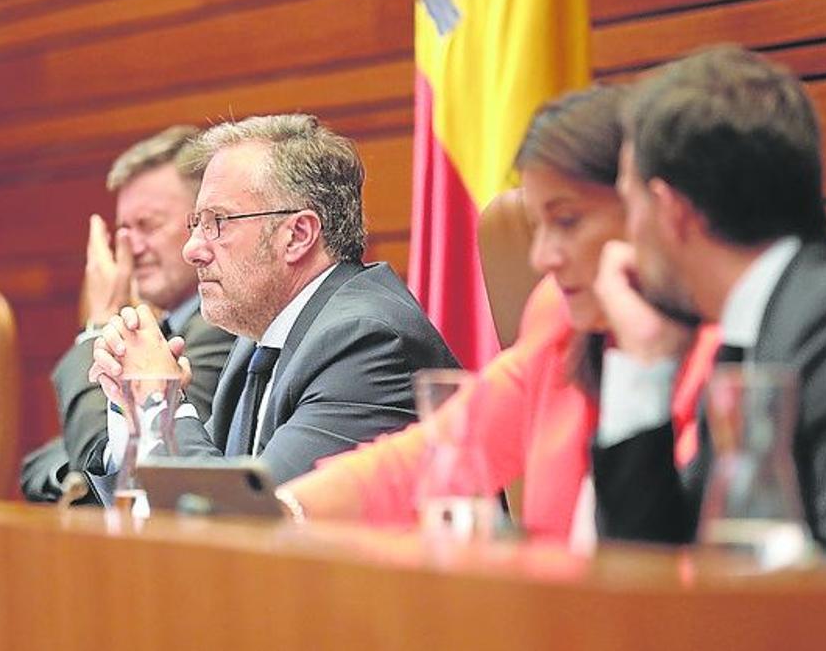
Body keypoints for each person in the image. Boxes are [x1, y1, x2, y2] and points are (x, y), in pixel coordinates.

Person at [279, 86, 719, 540]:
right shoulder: (560, 319)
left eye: (567, 222)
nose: (542, 257)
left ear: (649, 211)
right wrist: (287, 509)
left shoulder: (728, 351)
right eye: (537, 226)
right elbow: (436, 454)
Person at [591, 44, 826, 557]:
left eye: (629, 203)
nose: (627, 236)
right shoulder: (760, 323)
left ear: (671, 211)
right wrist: (645, 359)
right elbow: (649, 577)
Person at [89, 114, 459, 487]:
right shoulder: (258, 342)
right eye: (196, 224)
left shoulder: (366, 342)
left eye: (218, 222)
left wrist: (160, 401)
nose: (193, 249)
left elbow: (251, 522)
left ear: (297, 235)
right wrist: (134, 405)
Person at [20, 126, 235, 502]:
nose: (130, 248)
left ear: (203, 221)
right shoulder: (164, 327)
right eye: (123, 229)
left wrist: (99, 324)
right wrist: (74, 473)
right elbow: (43, 462)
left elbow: (116, 447)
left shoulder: (220, 324)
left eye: (148, 226)